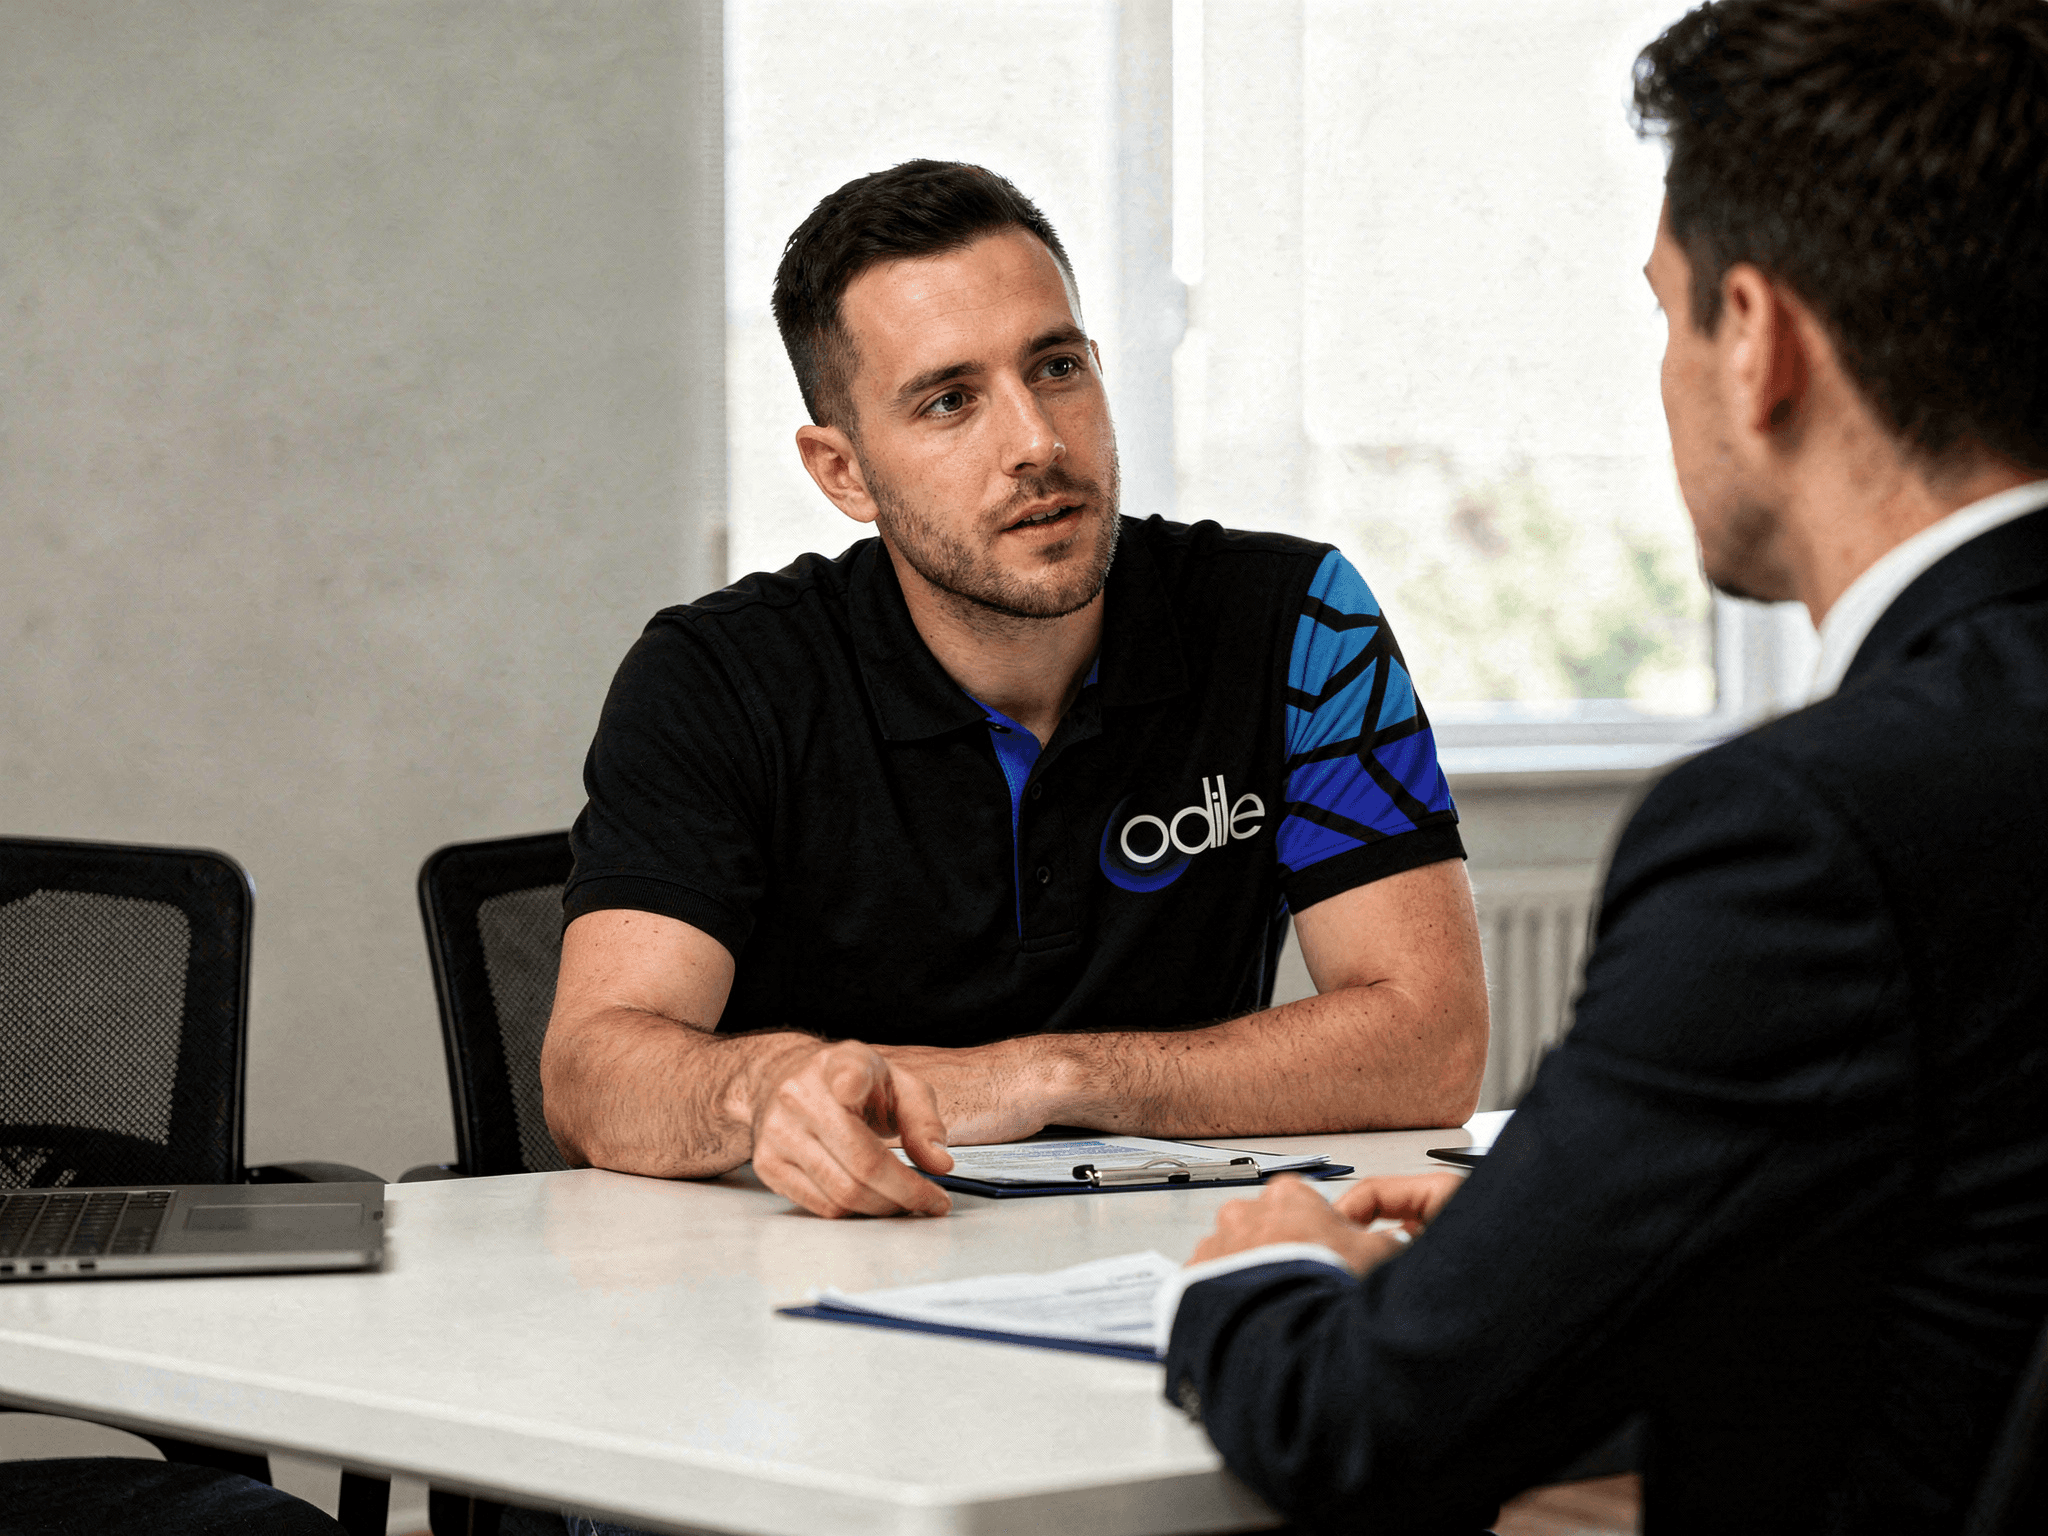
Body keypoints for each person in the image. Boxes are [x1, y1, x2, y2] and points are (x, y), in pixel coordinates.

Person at [1159, 1, 2048, 1530]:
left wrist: (1266, 1267)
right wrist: (1565, 1230)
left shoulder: (1804, 835)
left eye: (1668, 317)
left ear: (1757, 340)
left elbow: (1365, 1425)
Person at [540, 161, 1490, 1220]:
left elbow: (1432, 1045)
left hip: (1174, 1255)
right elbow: (589, 1074)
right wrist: (763, 1089)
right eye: (950, 401)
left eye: (1056, 367)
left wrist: (1046, 1077)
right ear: (842, 472)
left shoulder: (1300, 621)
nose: (1037, 442)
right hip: (833, 1258)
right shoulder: (716, 677)